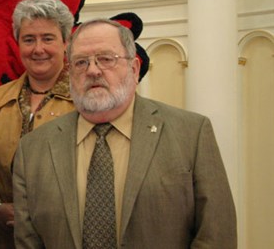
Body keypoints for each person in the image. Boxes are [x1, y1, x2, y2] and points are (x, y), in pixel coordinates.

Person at [12, 18, 237, 248]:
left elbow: (216, 235)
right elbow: (28, 241)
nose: (92, 70)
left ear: (134, 68)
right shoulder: (32, 150)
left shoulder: (191, 135)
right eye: (80, 63)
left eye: (106, 59)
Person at [0, 0, 75, 248]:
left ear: (66, 42)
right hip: (2, 239)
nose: (38, 49)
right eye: (29, 39)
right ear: (18, 43)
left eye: (48, 38)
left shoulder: (87, 104)